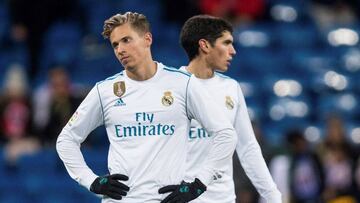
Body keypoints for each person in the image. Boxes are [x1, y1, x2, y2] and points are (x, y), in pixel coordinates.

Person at [56, 12, 238, 202]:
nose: (120, 50)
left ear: (147, 39)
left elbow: (226, 134)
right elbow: (66, 140)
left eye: (126, 40)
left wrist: (199, 185)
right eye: (115, 45)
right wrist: (91, 181)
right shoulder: (105, 91)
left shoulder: (183, 84)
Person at [160, 15, 281, 202]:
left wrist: (272, 195)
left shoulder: (231, 88)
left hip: (223, 198)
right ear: (205, 45)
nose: (233, 51)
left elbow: (248, 148)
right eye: (226, 43)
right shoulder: (168, 89)